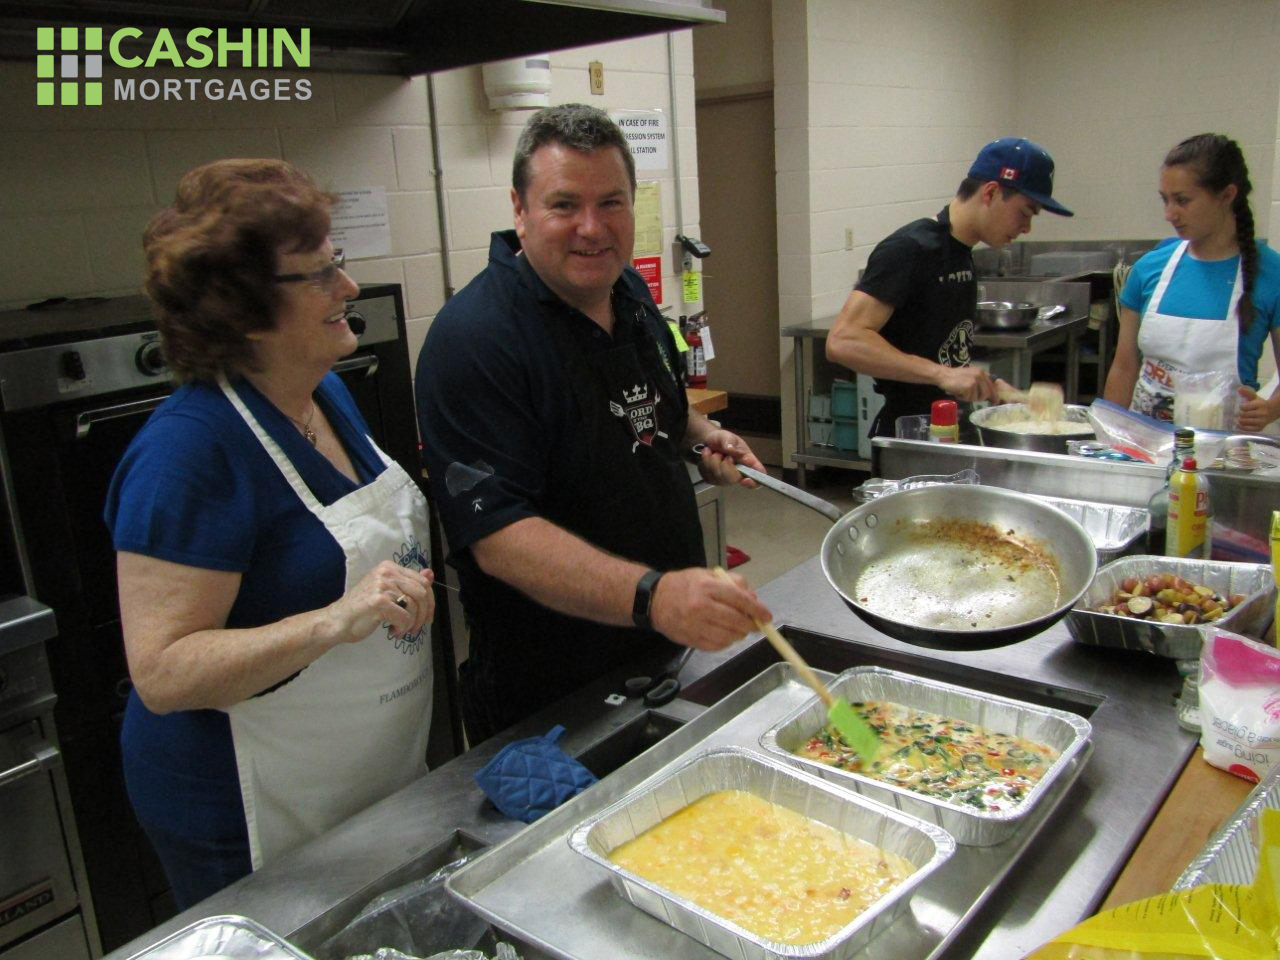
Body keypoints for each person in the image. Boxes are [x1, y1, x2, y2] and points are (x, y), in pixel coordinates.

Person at [105, 159, 436, 907]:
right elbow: (161, 673)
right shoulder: (188, 454)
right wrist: (332, 621)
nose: (347, 289)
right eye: (318, 276)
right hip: (248, 805)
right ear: (243, 308)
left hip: (356, 771)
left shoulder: (327, 394)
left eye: (339, 264)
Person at [415, 104, 771, 744]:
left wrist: (699, 435)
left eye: (611, 202)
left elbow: (647, 402)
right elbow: (498, 535)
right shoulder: (477, 340)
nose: (591, 228)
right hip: (555, 694)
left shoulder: (628, 290)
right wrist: (654, 597)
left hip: (665, 655)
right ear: (519, 210)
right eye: (563, 205)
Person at [826, 138, 1074, 437]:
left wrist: (990, 383)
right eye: (1025, 212)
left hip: (948, 429)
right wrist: (942, 375)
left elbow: (940, 350)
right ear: (991, 192)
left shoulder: (960, 252)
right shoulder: (911, 248)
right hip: (911, 435)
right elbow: (843, 341)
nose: (1026, 228)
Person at [1103, 134, 1280, 431]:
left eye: (1182, 201)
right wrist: (1108, 437)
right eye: (1165, 200)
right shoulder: (1149, 269)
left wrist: (1270, 409)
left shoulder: (1271, 274)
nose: (1169, 214)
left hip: (1222, 458)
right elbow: (1124, 367)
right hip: (1145, 448)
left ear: (1226, 195)